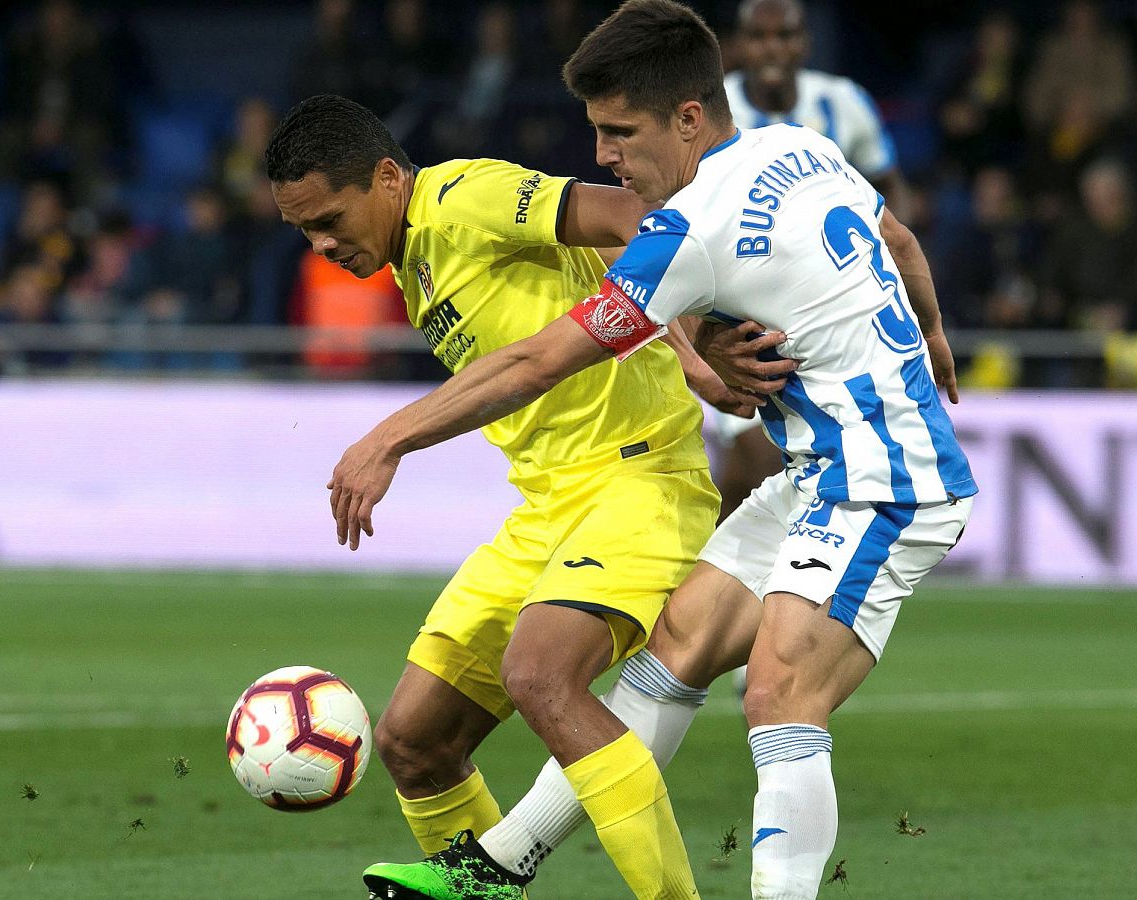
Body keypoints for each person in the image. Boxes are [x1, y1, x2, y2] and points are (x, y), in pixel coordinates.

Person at [346, 3, 975, 899]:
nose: (604, 155)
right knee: (675, 644)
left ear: (688, 118)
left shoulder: (688, 230)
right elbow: (900, 241)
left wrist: (390, 437)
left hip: (885, 479)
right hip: (819, 474)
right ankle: (497, 867)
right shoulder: (795, 146)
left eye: (618, 131)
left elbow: (533, 361)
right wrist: (934, 337)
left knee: (779, 695)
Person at [265, 94, 776, 900]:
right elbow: (611, 269)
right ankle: (486, 887)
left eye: (329, 219)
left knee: (542, 675)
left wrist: (704, 330)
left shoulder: (464, 197)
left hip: (638, 479)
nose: (322, 246)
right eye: (305, 234)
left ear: (389, 178)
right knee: (412, 740)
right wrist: (685, 352)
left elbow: (638, 216)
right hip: (547, 505)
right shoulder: (412, 260)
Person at [715, 0, 912, 520]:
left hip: (835, 322)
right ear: (740, 45)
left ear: (804, 42)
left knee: (754, 489)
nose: (773, 49)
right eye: (760, 37)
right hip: (745, 326)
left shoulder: (843, 103)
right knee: (766, 473)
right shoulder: (714, 109)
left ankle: (722, 591)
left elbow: (889, 193)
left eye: (785, 36)